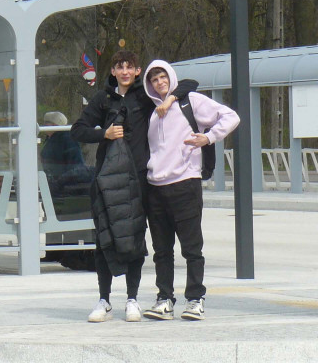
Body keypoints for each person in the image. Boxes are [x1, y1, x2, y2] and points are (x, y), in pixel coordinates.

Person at [70, 50, 197, 323]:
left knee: (135, 240)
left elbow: (189, 84)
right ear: (113, 71)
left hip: (139, 179)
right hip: (108, 180)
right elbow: (77, 129)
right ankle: (104, 300)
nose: (125, 72)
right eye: (120, 67)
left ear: (138, 71)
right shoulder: (103, 99)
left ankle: (132, 299)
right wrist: (103, 133)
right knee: (105, 239)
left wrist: (171, 98)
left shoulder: (145, 96)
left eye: (130, 67)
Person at [142, 60, 239, 322]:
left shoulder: (190, 101)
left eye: (163, 77)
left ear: (171, 77)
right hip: (155, 188)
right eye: (154, 79)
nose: (159, 83)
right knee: (162, 251)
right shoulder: (150, 110)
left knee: (192, 248)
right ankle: (164, 299)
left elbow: (231, 117)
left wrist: (208, 137)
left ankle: (195, 299)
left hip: (185, 184)